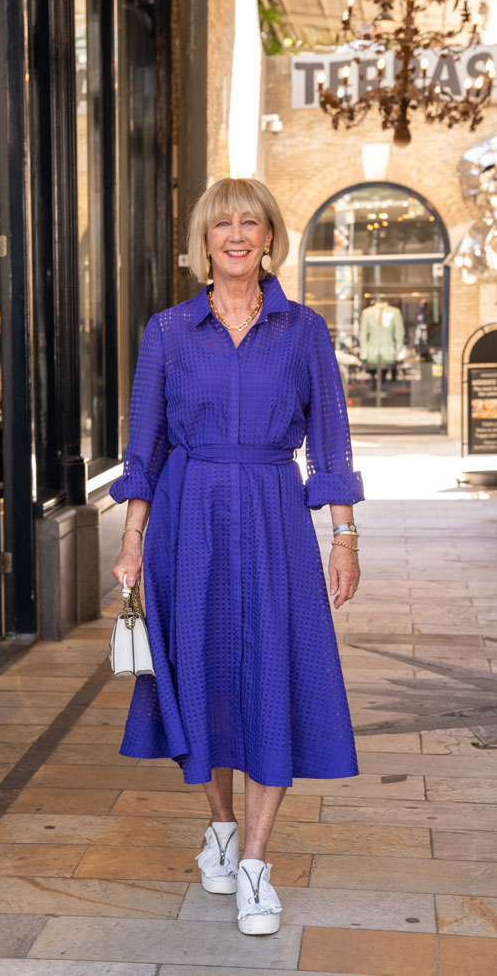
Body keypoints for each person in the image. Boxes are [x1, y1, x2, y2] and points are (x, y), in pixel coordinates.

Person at [109, 177, 364, 936]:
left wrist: (343, 536)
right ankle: (219, 823)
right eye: (222, 223)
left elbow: (330, 440)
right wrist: (130, 542)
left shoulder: (303, 329)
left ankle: (254, 861)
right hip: (187, 520)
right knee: (205, 670)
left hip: (273, 512)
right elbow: (143, 447)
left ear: (269, 237)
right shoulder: (167, 330)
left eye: (250, 221)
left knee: (271, 670)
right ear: (203, 242)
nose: (236, 233)